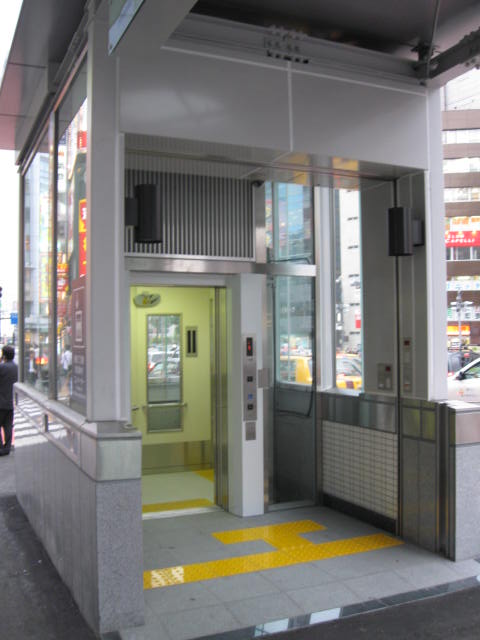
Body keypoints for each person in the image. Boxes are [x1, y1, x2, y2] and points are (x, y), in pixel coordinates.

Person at [0, 345, 19, 456]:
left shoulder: (2, 367)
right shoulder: (16, 367)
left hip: (1, 401)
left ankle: (0, 447)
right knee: (8, 425)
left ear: (4, 355)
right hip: (11, 402)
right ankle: (7, 448)